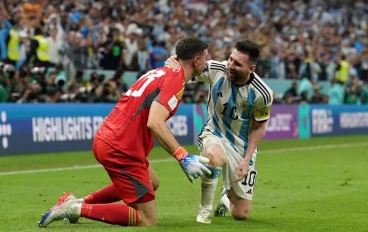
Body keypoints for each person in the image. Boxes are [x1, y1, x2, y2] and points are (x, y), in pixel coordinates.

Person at [37, 37, 211, 227]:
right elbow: (155, 122)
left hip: (108, 137)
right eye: (205, 57)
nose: (207, 62)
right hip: (121, 148)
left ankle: (79, 202)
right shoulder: (175, 81)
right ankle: (74, 209)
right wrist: (183, 156)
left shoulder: (160, 72)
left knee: (152, 182)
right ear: (196, 60)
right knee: (147, 219)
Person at [165, 40, 273, 223]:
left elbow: (259, 126)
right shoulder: (217, 69)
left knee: (241, 214)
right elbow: (190, 66)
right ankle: (204, 212)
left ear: (251, 69)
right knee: (214, 157)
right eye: (230, 59)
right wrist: (173, 61)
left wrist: (246, 160)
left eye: (237, 64)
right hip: (213, 133)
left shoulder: (263, 93)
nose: (230, 65)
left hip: (241, 146)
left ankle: (225, 195)